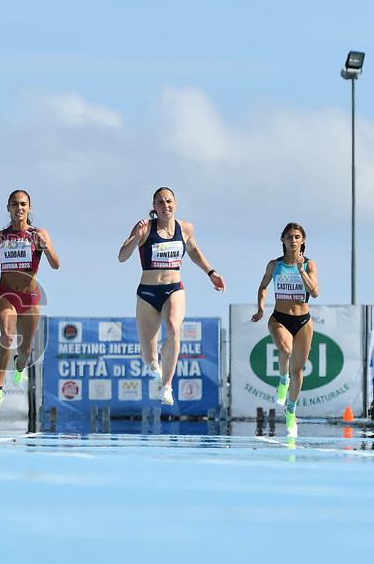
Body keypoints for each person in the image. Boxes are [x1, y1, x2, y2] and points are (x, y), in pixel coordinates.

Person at [117, 186, 225, 406]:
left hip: (173, 289)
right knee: (149, 358)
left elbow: (194, 251)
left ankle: (167, 386)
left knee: (174, 327)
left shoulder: (185, 228)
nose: (165, 206)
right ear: (154, 208)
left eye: (169, 201)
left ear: (175, 204)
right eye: (160, 202)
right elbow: (122, 256)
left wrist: (211, 273)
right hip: (147, 294)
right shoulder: (145, 228)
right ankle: (156, 368)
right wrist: (135, 238)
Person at [0, 190, 59, 428]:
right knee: (6, 336)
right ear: (8, 207)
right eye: (15, 204)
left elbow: (56, 265)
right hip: (5, 294)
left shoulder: (38, 234)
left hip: (30, 298)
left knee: (25, 348)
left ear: (29, 207)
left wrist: (46, 246)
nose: (19, 207)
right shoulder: (1, 236)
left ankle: (21, 362)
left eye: (23, 204)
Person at [250, 223, 318, 437]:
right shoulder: (274, 265)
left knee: (297, 371)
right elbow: (263, 287)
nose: (293, 240)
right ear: (283, 240)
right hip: (279, 318)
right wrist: (261, 307)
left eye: (297, 236)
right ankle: (282, 380)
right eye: (289, 236)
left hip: (303, 321)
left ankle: (291, 411)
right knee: (285, 350)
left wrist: (301, 270)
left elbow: (315, 292)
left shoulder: (309, 264)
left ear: (303, 240)